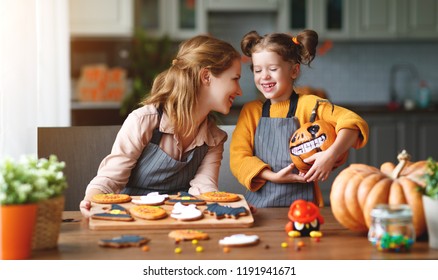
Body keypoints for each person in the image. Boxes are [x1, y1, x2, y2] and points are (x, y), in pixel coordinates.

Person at [80, 35, 242, 217]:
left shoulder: (214, 138)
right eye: (235, 78)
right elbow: (110, 178)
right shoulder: (144, 121)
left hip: (181, 218)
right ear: (206, 76)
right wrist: (90, 202)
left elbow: (204, 190)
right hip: (133, 217)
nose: (239, 90)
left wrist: (235, 211)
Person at [230, 30, 369, 208]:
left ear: (294, 70)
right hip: (258, 209)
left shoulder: (310, 105)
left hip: (305, 207)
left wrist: (330, 154)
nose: (264, 76)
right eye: (258, 70)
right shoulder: (251, 112)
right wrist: (272, 177)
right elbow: (238, 158)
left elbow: (353, 123)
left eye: (273, 69)